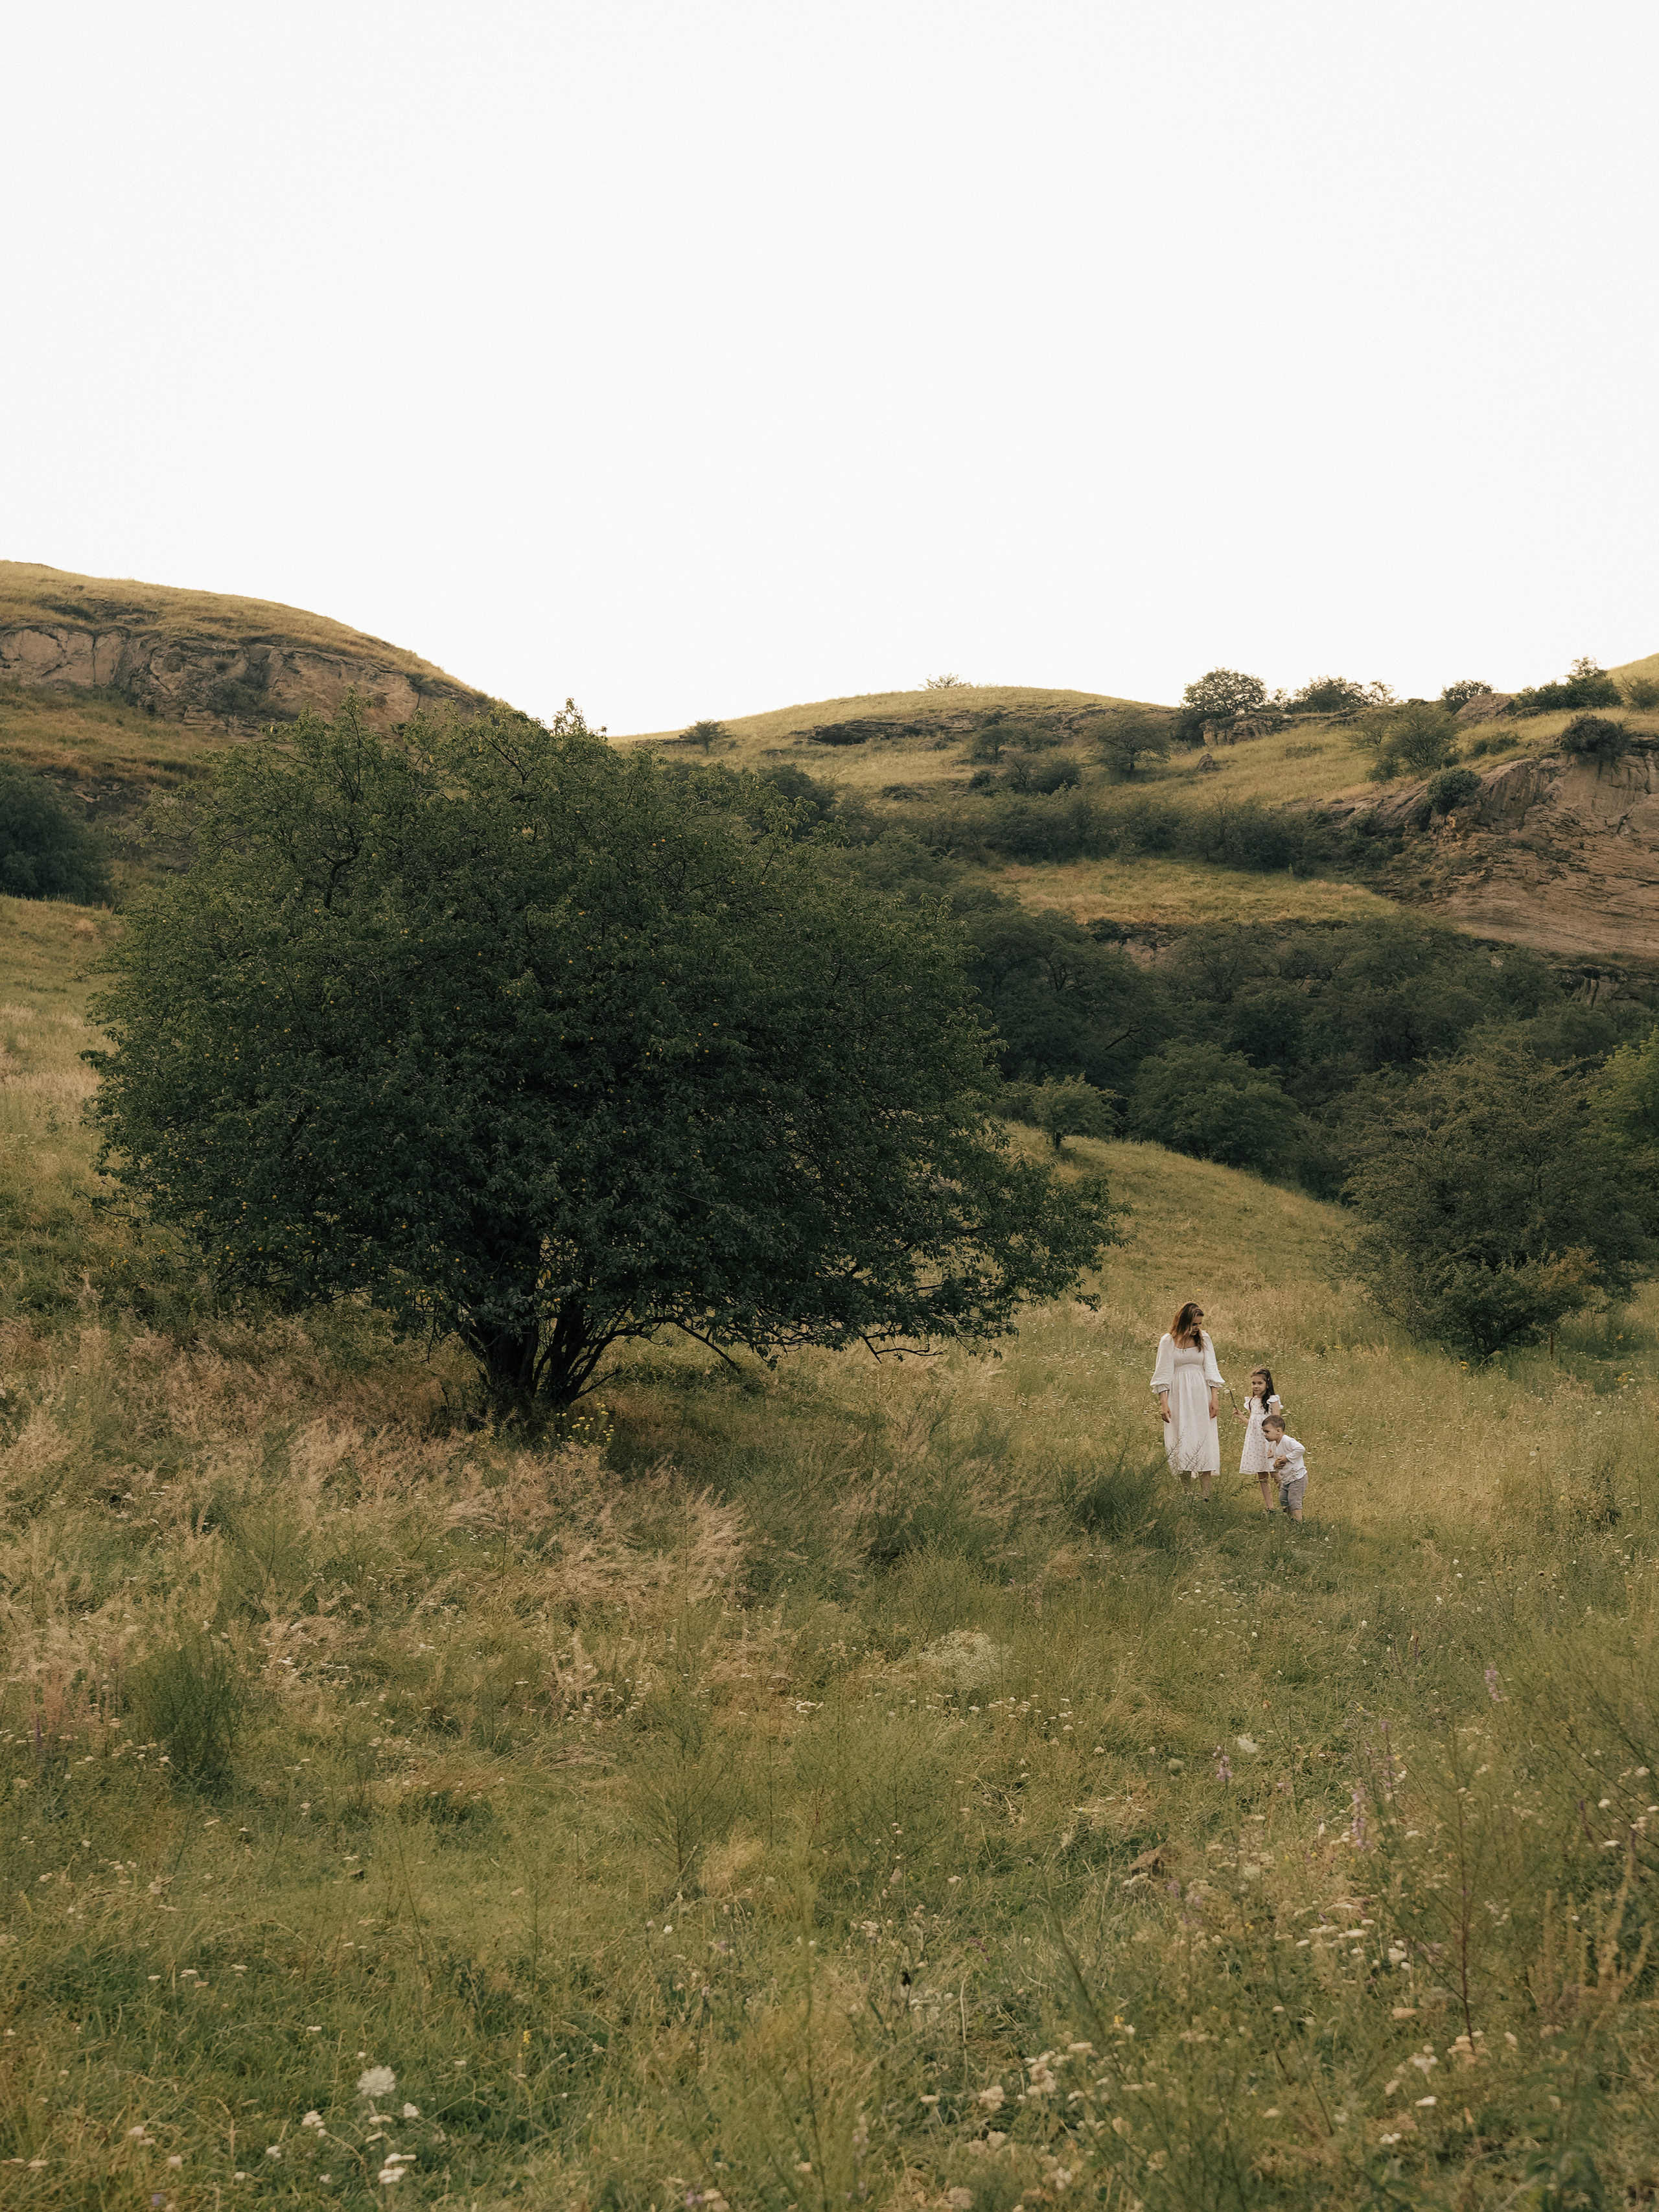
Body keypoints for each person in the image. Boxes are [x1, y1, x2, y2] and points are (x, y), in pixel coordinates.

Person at [1150, 1301, 1225, 1500]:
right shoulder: (1168, 1341)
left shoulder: (1204, 1339)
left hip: (1201, 1394)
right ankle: (1187, 1492)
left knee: (1204, 1438)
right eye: (1194, 1324)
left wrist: (1214, 1398)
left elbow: (1211, 1369)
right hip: (1179, 1395)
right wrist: (1164, 1404)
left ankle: (1206, 1495)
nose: (1197, 1328)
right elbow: (1163, 1375)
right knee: (1182, 1437)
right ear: (1183, 1322)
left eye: (1199, 1324)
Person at [1235, 1365, 1284, 1514]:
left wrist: (1273, 1446)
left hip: (1269, 1442)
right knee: (1262, 1474)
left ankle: (1287, 1503)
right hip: (1256, 1442)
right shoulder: (1252, 1401)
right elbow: (1253, 1424)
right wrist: (1240, 1416)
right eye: (1253, 1383)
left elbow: (1277, 1423)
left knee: (1275, 1472)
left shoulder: (1272, 1400)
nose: (1256, 1386)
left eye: (1260, 1383)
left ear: (1267, 1384)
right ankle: (1270, 1507)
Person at [1262, 1412, 1306, 1522]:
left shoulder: (1287, 1441)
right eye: (1264, 1432)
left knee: (1294, 1500)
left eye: (1267, 1431)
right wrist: (1276, 1465)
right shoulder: (1274, 1444)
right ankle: (1291, 1520)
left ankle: (1298, 1523)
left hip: (1297, 1477)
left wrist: (1288, 1457)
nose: (1265, 1434)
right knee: (1284, 1500)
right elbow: (1278, 1461)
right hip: (1286, 1478)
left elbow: (1301, 1449)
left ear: (1278, 1431)